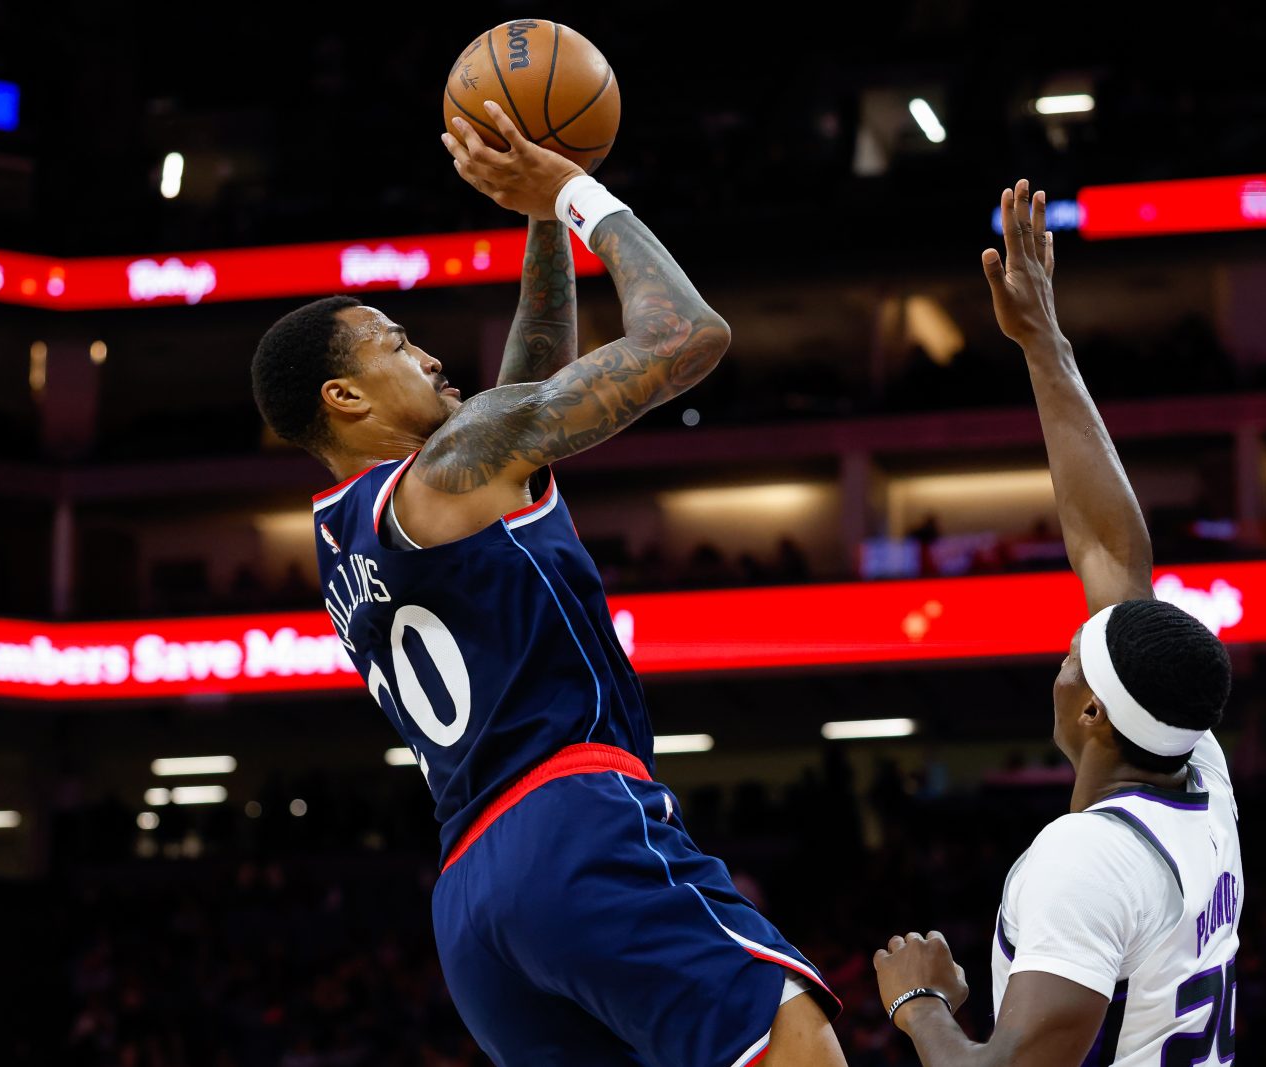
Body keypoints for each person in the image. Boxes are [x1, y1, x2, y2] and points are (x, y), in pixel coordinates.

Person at [249, 101, 844, 1067]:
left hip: (471, 900)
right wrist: (576, 195)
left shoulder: (345, 534)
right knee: (794, 1039)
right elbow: (688, 335)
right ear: (344, 397)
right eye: (397, 342)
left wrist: (533, 212)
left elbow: (526, 380)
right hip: (571, 821)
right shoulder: (456, 466)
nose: (431, 354)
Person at [872, 180, 1243, 1066]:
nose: (1066, 655)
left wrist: (919, 1003)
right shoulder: (1198, 769)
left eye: (1076, 658)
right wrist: (1044, 341)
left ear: (1093, 717)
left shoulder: (1086, 858)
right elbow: (1114, 551)